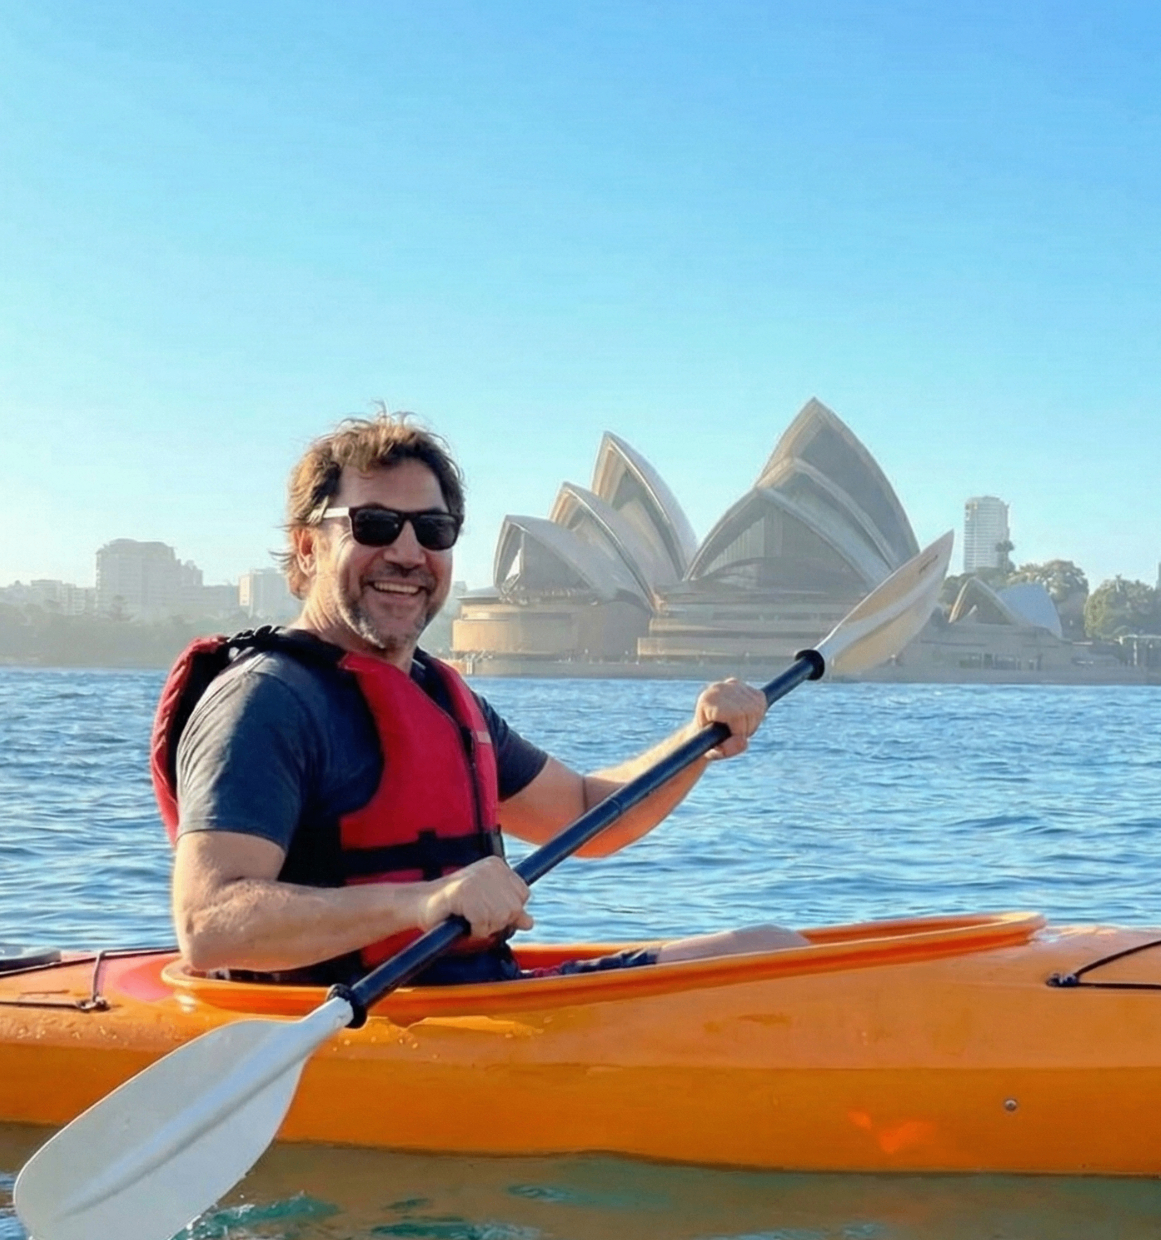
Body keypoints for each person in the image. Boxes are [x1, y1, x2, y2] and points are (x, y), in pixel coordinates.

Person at [156, 412, 804, 984]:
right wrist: (423, 903)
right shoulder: (264, 702)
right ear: (308, 544)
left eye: (433, 530)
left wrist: (698, 739)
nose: (408, 552)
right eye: (375, 524)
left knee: (775, 953)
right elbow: (210, 922)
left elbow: (583, 814)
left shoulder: (437, 693)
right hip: (350, 1023)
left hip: (475, 994)